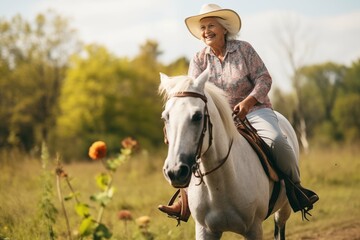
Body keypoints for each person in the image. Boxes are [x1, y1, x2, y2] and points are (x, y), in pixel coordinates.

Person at [158, 3, 319, 222]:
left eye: (211, 25)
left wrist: (248, 101)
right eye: (203, 27)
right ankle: (185, 201)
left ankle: (296, 190)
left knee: (277, 143)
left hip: (254, 111)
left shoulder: (244, 50)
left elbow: (264, 78)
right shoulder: (198, 59)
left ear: (224, 28)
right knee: (193, 147)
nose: (206, 31)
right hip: (219, 120)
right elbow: (195, 93)